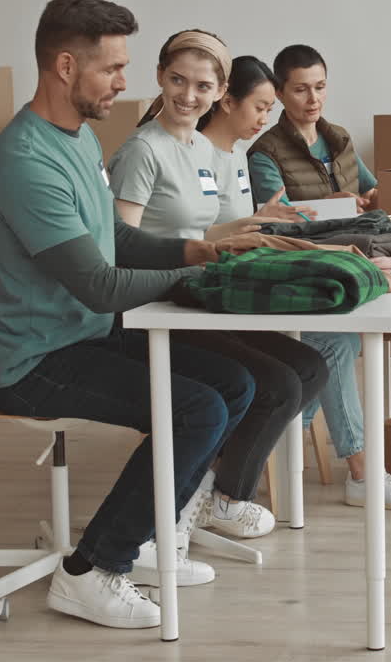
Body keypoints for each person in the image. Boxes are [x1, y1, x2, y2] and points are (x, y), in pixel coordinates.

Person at [0, 0, 267, 629]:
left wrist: (201, 248)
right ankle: (91, 571)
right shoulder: (27, 161)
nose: (124, 82)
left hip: (84, 336)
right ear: (64, 66)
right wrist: (195, 273)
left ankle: (148, 537)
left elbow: (114, 241)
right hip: (35, 361)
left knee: (235, 384)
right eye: (112, 68)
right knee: (198, 408)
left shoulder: (79, 137)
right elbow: (100, 285)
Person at [108, 32, 329, 537]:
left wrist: (253, 225)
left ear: (218, 90)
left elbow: (202, 232)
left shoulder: (198, 148)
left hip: (196, 293)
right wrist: (209, 251)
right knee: (274, 383)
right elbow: (122, 247)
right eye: (178, 80)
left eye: (202, 85)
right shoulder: (144, 151)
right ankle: (215, 500)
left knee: (309, 367)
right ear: (159, 76)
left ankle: (212, 494)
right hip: (155, 306)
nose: (189, 94)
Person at [245, 44, 391, 509]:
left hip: (360, 262)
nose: (312, 99)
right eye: (299, 90)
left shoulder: (339, 140)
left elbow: (373, 190)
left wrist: (375, 200)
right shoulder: (265, 154)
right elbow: (277, 225)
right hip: (317, 274)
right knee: (342, 343)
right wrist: (338, 210)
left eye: (319, 87)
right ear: (279, 93)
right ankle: (354, 467)